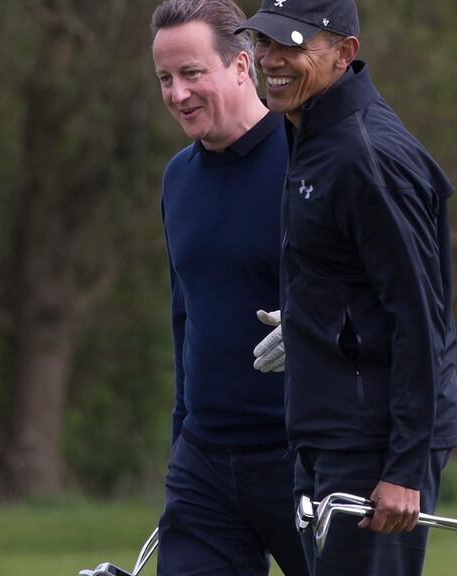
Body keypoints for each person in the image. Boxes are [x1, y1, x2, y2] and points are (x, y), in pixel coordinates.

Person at [236, 1, 457, 574]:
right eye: (263, 43)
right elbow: (348, 280)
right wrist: (310, 321)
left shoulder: (367, 158)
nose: (271, 61)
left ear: (344, 53)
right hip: (327, 432)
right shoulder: (308, 133)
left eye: (291, 45)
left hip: (374, 444)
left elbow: (420, 319)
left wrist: (404, 468)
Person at [149, 1, 308, 575]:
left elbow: (387, 303)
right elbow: (183, 319)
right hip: (204, 464)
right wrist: (179, 445)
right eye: (165, 78)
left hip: (303, 460)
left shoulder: (310, 161)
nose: (177, 93)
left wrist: (312, 326)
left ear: (242, 66)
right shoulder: (177, 179)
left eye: (192, 73)